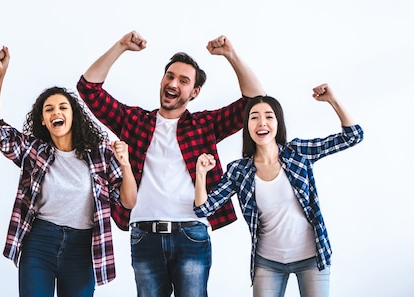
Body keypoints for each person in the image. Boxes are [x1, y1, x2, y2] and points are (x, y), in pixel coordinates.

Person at [77, 31, 266, 296]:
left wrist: (230, 55)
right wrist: (120, 46)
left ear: (195, 92)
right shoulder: (133, 121)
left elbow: (255, 102)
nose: (173, 83)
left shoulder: (205, 125)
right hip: (144, 236)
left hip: (191, 234)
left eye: (183, 80)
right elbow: (88, 89)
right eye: (170, 76)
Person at [0, 46, 137, 297]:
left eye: (63, 107)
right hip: (40, 242)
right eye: (49, 109)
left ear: (73, 115)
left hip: (82, 247)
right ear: (43, 120)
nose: (56, 112)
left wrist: (126, 164)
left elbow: (129, 201)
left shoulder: (99, 154)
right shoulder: (35, 151)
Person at [194, 84, 364, 297]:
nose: (261, 122)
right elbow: (204, 209)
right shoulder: (239, 171)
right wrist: (201, 174)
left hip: (312, 258)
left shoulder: (297, 153)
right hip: (268, 263)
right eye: (254, 117)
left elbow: (353, 136)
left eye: (269, 116)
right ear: (247, 126)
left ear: (278, 123)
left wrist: (332, 100)